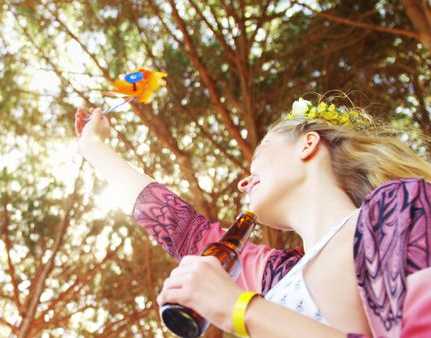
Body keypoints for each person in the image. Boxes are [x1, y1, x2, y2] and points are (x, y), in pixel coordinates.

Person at [74, 99, 431, 338]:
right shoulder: (279, 275)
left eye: (259, 153)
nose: (243, 181)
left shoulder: (396, 209)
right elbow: (182, 229)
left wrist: (240, 308)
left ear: (308, 145)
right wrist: (94, 149)